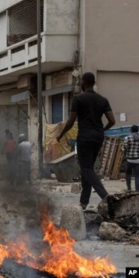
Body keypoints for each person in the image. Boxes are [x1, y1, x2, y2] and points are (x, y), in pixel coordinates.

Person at [57, 72, 115, 210]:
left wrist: (60, 135)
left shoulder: (78, 99)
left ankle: (105, 196)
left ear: (83, 82)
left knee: (86, 168)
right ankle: (84, 202)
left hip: (85, 137)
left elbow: (71, 121)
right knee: (87, 169)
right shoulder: (103, 100)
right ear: (93, 83)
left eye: (80, 82)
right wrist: (102, 130)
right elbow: (112, 121)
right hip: (98, 137)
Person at [122, 125, 139, 192]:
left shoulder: (127, 138)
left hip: (129, 160)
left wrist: (124, 153)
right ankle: (137, 190)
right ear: (137, 130)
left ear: (131, 130)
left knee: (128, 174)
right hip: (138, 160)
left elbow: (125, 148)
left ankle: (129, 188)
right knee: (137, 175)